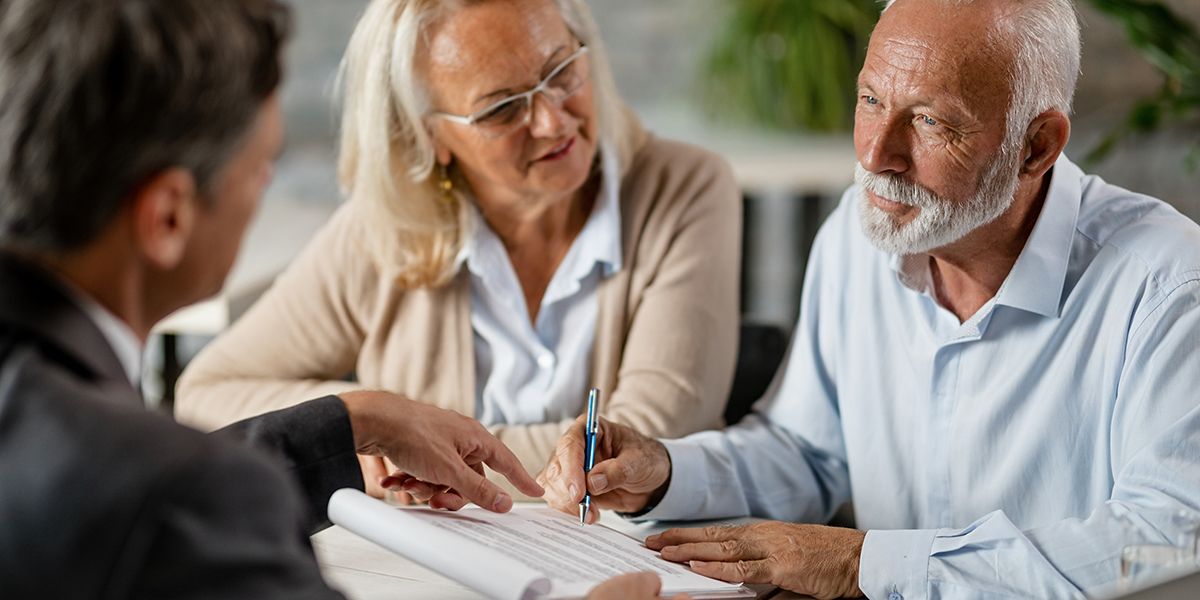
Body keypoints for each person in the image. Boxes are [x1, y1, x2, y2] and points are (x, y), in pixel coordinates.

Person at [538, 0, 1200, 598]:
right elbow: (808, 452)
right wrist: (663, 471)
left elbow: (1165, 544)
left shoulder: (1169, 287)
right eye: (871, 100)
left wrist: (865, 564)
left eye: (930, 121)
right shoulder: (857, 239)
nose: (877, 154)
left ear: (1037, 145)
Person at [0, 1, 657, 598]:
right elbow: (171, 493)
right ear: (168, 217)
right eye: (263, 168)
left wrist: (356, 419)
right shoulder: (182, 499)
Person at [173, 0, 741, 499]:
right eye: (502, 108)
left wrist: (418, 449)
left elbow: (645, 445)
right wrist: (366, 420)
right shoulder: (382, 229)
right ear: (429, 136)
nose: (552, 121)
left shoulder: (686, 188)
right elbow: (205, 393)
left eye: (562, 71)